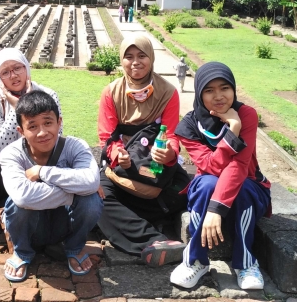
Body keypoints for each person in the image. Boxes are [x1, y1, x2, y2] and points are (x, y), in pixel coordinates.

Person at [170, 62, 271, 290]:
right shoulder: (190, 125)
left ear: (233, 89)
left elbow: (240, 166)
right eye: (209, 90)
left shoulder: (246, 115)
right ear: (199, 93)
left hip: (248, 185)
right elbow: (209, 166)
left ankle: (245, 263)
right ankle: (195, 260)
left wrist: (215, 210)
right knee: (207, 184)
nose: (218, 96)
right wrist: (232, 132)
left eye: (224, 88)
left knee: (243, 186)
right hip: (209, 185)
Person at [97, 35, 189, 267]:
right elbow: (107, 136)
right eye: (129, 56)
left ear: (152, 58)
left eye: (142, 56)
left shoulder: (167, 92)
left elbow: (172, 136)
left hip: (157, 172)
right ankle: (154, 241)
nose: (135, 62)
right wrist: (120, 155)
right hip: (122, 171)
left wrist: (169, 154)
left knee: (181, 191)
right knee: (96, 197)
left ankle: (130, 224)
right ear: (122, 60)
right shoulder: (111, 92)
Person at [0, 91, 102, 282]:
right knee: (17, 204)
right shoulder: (11, 154)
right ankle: (22, 252)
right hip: (30, 224)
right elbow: (23, 196)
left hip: (64, 222)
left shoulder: (75, 146)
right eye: (32, 126)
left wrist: (42, 172)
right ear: (20, 131)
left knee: (91, 200)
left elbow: (91, 181)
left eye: (48, 123)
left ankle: (74, 248)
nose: (42, 132)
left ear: (59, 122)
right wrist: (75, 192)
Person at [0, 48, 62, 236]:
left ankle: (41, 206)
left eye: (17, 68)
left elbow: (55, 136)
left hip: (39, 149)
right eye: (5, 72)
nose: (13, 75)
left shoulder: (47, 94)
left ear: (27, 68)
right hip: (2, 152)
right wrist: (18, 108)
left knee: (49, 158)